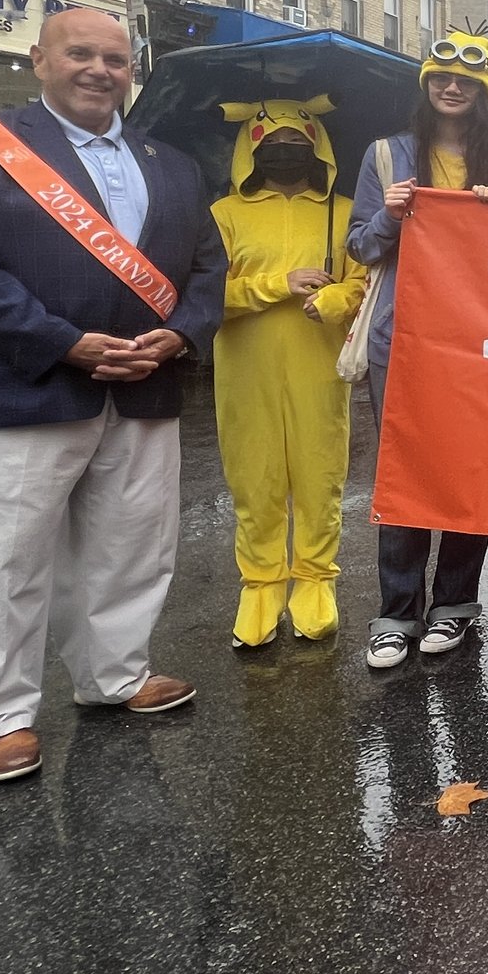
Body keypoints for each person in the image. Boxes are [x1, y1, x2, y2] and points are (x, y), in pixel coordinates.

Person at [0, 7, 226, 783]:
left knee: (131, 545)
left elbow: (208, 267)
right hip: (18, 386)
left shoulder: (173, 164)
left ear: (132, 71)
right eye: (79, 53)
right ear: (39, 60)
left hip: (144, 387)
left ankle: (115, 673)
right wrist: (62, 341)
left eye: (115, 59)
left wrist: (181, 334)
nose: (99, 70)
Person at [349, 32, 488, 672]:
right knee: (403, 472)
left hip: (479, 341)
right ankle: (396, 613)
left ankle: (454, 604)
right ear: (426, 85)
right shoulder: (385, 154)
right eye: (440, 78)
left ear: (483, 92)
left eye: (466, 81)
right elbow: (359, 246)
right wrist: (389, 216)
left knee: (466, 470)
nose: (452, 88)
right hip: (400, 337)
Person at [211, 97, 368, 650]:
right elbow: (204, 295)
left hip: (318, 367)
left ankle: (315, 580)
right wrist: (276, 285)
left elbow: (364, 284)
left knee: (319, 475)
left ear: (318, 147)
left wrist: (335, 301)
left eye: (297, 142)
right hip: (244, 368)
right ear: (250, 150)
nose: (284, 151)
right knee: (254, 478)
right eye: (272, 143)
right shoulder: (224, 214)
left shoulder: (343, 212)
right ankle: (260, 585)